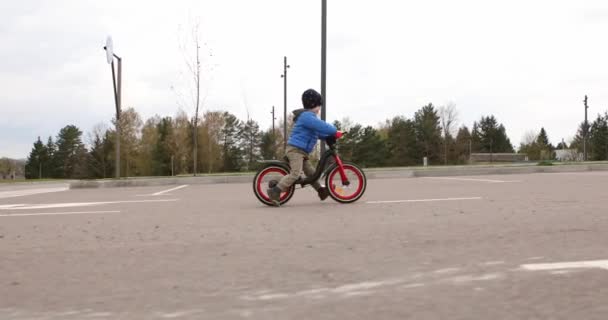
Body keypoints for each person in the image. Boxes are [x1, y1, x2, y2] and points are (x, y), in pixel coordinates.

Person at [267, 89, 341, 206]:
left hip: (302, 152)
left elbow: (318, 133)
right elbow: (321, 126)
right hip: (295, 150)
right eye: (318, 106)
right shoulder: (307, 117)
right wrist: (334, 131)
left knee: (312, 174)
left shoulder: (309, 118)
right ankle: (275, 191)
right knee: (296, 174)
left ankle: (321, 191)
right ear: (313, 105)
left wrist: (329, 136)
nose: (319, 109)